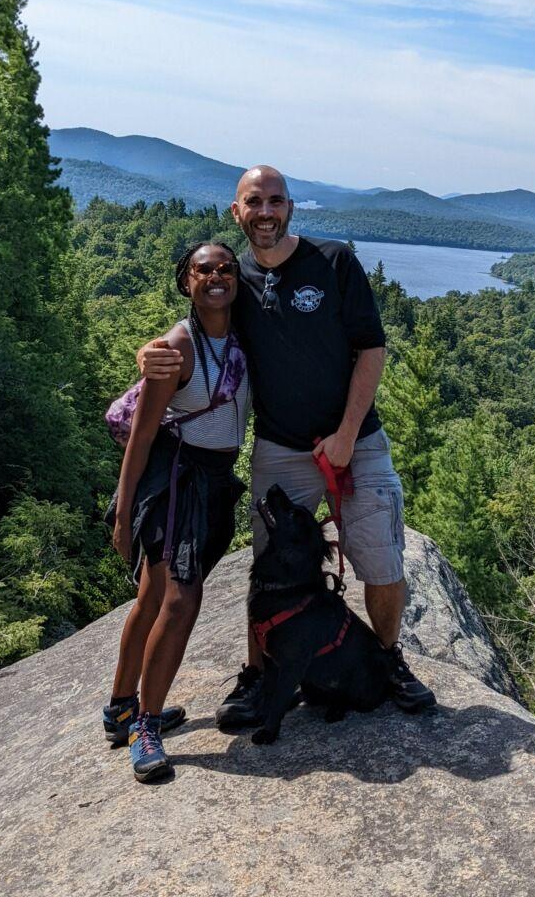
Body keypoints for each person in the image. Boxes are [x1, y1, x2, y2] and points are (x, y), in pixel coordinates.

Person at [138, 166, 435, 728]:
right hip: (279, 447)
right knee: (269, 569)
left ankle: (387, 660)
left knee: (380, 560)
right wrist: (149, 356)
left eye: (276, 201)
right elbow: (197, 331)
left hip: (357, 439)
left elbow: (371, 347)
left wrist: (347, 435)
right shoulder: (234, 277)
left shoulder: (334, 261)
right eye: (255, 202)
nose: (266, 212)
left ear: (291, 207)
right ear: (237, 211)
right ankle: (261, 676)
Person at [104, 241, 250, 782]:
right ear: (185, 282)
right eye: (202, 269)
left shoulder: (241, 333)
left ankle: (120, 708)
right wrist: (123, 515)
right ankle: (145, 724)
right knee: (182, 597)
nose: (215, 276)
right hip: (173, 476)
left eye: (225, 268)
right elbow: (140, 439)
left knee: (152, 594)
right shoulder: (176, 348)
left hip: (211, 479)